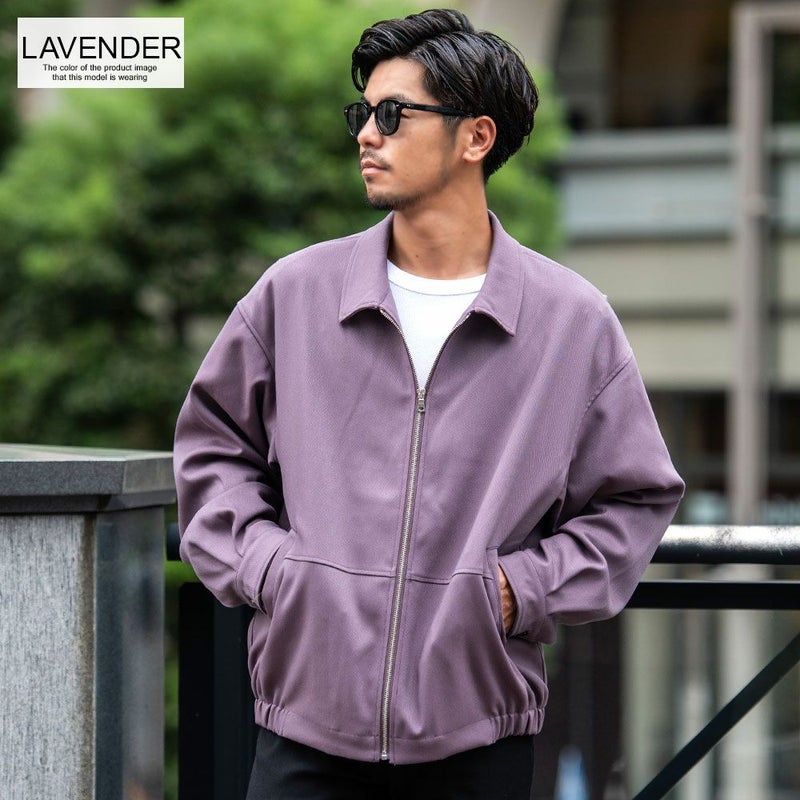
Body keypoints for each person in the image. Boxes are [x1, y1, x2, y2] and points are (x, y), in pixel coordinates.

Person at [174, 8, 684, 799]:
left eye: (392, 115)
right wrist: (275, 570)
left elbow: (634, 501)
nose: (365, 135)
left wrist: (520, 590)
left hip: (477, 739)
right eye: (362, 113)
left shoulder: (570, 321)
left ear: (475, 137)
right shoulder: (295, 293)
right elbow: (212, 449)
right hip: (304, 732)